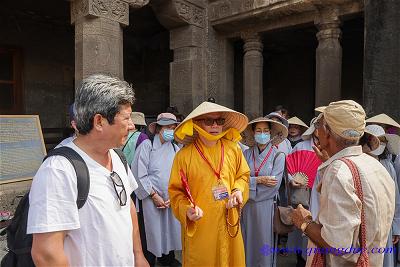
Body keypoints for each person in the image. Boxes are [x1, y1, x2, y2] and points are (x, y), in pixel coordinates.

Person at [27, 74, 148, 267]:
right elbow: (46, 253)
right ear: (99, 121)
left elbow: (127, 206)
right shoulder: (59, 170)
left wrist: (138, 255)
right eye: (126, 118)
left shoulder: (117, 157)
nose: (132, 126)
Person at [292, 100, 395, 266]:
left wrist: (304, 222)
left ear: (328, 133)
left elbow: (337, 244)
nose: (316, 130)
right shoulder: (374, 164)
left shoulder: (339, 171)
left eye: (319, 124)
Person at [168, 101, 250, 266]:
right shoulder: (184, 156)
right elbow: (176, 192)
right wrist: (187, 210)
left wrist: (238, 190)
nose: (215, 125)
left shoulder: (233, 150)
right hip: (201, 226)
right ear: (197, 124)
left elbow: (243, 176)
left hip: (229, 219)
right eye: (208, 121)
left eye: (219, 121)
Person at [132, 113, 181, 267]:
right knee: (151, 233)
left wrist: (174, 195)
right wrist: (153, 195)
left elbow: (180, 174)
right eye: (167, 127)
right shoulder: (147, 146)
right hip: (150, 199)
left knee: (169, 231)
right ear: (159, 128)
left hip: (170, 199)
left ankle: (167, 259)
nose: (170, 131)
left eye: (173, 128)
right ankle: (149, 261)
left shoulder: (175, 148)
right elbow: (139, 174)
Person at [240, 117, 287, 267]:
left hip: (266, 206)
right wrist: (259, 180)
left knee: (263, 242)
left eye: (266, 131)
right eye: (258, 130)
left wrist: (250, 182)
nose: (262, 134)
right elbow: (239, 178)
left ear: (271, 133)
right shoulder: (246, 154)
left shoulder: (278, 156)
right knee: (247, 240)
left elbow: (273, 186)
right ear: (253, 133)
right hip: (246, 207)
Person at [363, 124, 400, 267]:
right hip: (363, 222)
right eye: (377, 140)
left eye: (383, 140)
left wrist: (396, 226)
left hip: (384, 221)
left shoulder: (387, 165)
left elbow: (395, 197)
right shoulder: (356, 162)